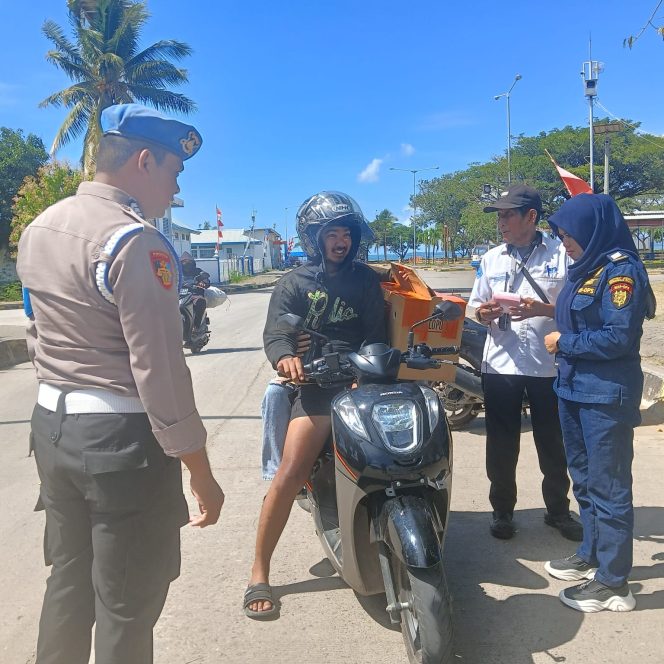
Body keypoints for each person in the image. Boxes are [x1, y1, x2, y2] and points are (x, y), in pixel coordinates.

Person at [16, 103, 225, 664]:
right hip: (118, 443)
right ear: (143, 160)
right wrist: (199, 470)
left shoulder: (39, 228)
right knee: (127, 603)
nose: (175, 189)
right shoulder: (135, 242)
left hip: (52, 430)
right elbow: (159, 370)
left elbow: (38, 333)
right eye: (173, 173)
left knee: (68, 581)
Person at [244, 191, 387, 618]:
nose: (341, 241)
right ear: (315, 238)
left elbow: (377, 334)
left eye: (347, 233)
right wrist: (286, 356)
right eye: (332, 234)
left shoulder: (365, 280)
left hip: (363, 383)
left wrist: (370, 368)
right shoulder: (296, 283)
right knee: (290, 473)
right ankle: (258, 571)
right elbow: (278, 334)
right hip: (318, 386)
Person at [543, 194, 652, 613]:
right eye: (561, 235)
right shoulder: (585, 268)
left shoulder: (621, 272)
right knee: (584, 480)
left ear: (592, 230)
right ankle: (591, 553)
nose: (564, 242)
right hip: (573, 388)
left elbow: (617, 337)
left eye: (569, 235)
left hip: (605, 394)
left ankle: (612, 582)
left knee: (609, 487)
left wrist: (563, 342)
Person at [468, 183, 582, 541]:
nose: (500, 222)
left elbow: (576, 308)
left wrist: (541, 309)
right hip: (501, 365)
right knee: (501, 444)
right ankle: (502, 511)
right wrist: (483, 312)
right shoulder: (491, 259)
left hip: (548, 366)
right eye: (499, 216)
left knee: (553, 442)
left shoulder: (561, 256)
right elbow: (475, 306)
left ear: (531, 217)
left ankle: (558, 511)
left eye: (507, 215)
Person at [180, 251, 211, 330]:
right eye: (184, 262)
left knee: (200, 301)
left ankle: (196, 326)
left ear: (192, 262)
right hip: (179, 296)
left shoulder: (197, 271)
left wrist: (203, 282)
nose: (186, 264)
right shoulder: (177, 273)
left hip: (194, 295)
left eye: (188, 261)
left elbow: (206, 280)